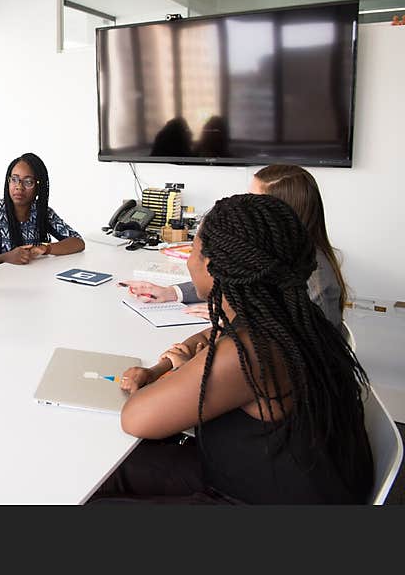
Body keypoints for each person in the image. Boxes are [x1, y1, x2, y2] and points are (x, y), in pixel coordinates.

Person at [92, 193, 373, 504]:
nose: (188, 261)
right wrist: (172, 363)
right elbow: (213, 333)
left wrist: (180, 370)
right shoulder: (289, 316)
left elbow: (136, 418)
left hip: (259, 500)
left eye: (193, 252)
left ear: (211, 267)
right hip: (272, 475)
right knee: (101, 473)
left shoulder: (249, 353)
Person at [122, 164, 346, 329]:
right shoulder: (271, 254)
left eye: (253, 199)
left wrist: (236, 321)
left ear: (278, 212)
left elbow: (313, 346)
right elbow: (235, 279)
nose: (242, 206)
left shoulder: (316, 278)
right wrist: (172, 292)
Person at [0, 152, 85, 266]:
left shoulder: (41, 212)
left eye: (28, 182)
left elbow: (78, 242)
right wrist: (5, 258)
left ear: (39, 186)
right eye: (14, 179)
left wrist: (45, 248)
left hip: (33, 279)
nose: (19, 187)